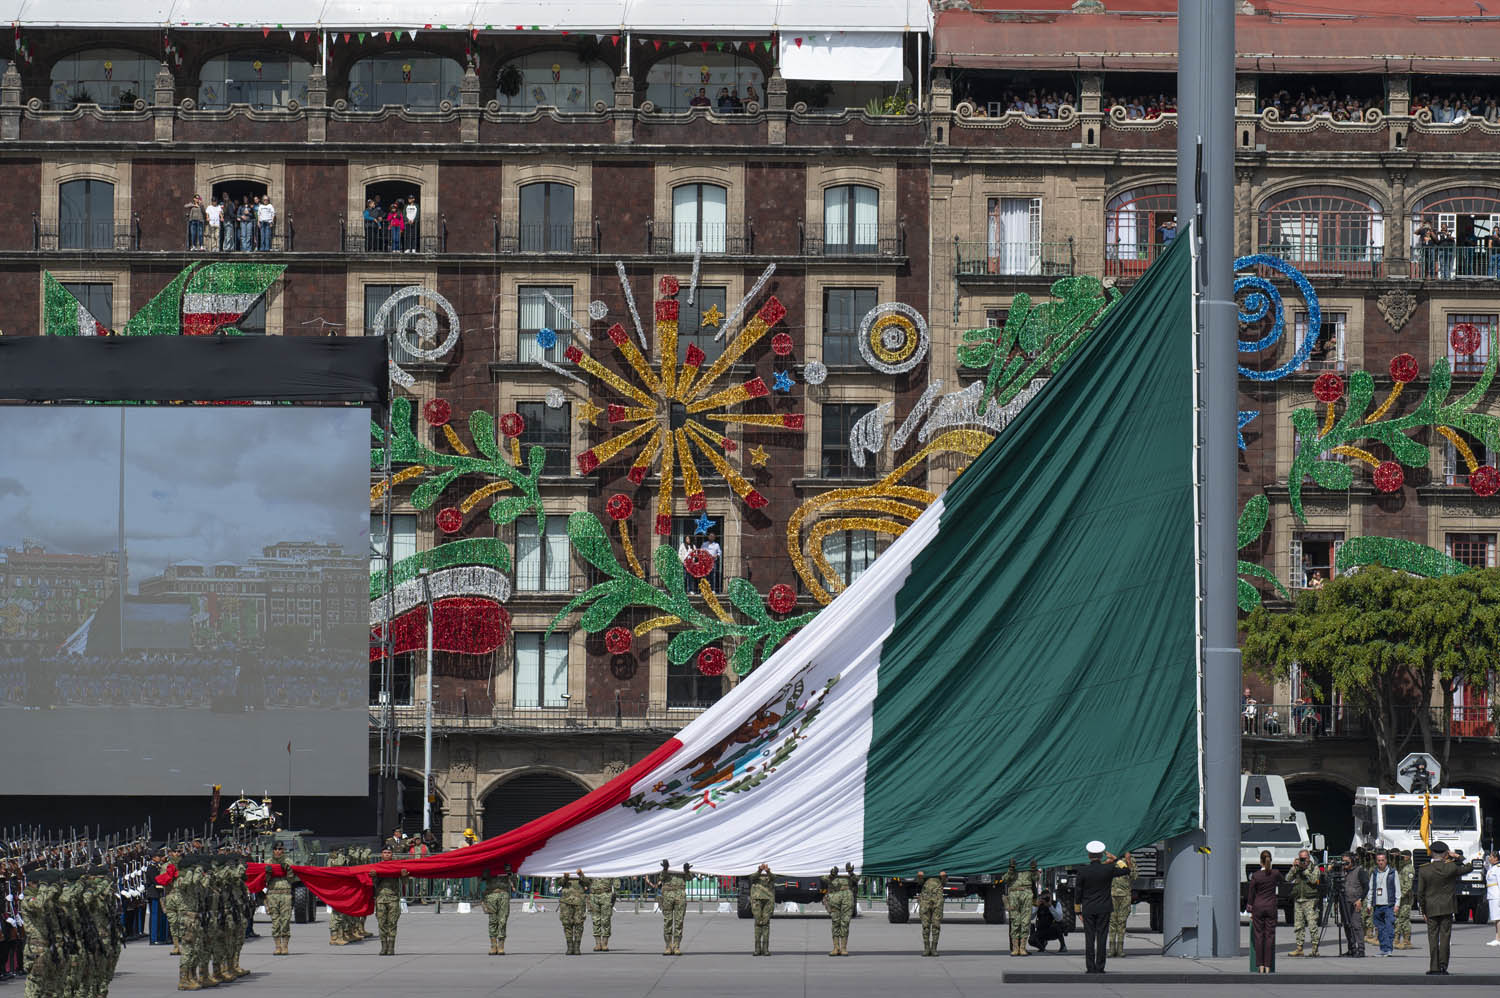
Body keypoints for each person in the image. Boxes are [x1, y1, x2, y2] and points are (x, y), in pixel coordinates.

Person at [1074, 841, 1131, 975]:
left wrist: (1078, 910)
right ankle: (1100, 967)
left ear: (1089, 855)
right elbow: (1126, 870)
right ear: (1101, 855)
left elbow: (1078, 891)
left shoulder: (1083, 870)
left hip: (1088, 908)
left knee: (1089, 938)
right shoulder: (1108, 868)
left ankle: (1090, 967)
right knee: (1102, 937)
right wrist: (1116, 858)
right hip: (1104, 908)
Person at [1417, 840, 1464, 975]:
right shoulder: (1451, 867)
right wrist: (1457, 857)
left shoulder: (1424, 869)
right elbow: (1469, 867)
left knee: (1432, 938)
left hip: (1431, 908)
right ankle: (1443, 966)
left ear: (1431, 853)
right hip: (1447, 907)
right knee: (1445, 937)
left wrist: (1423, 910)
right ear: (1445, 854)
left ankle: (1434, 967)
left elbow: (1420, 892)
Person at [1249, 849, 1282, 972]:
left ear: (1260, 861)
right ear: (1270, 860)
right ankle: (1268, 965)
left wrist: (1250, 908)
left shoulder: (1256, 875)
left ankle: (1260, 965)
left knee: (1258, 936)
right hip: (1271, 907)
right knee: (1269, 936)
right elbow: (1284, 881)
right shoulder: (1275, 873)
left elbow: (1251, 894)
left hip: (1258, 907)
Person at [373, 847, 409, 955]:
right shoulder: (377, 867)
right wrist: (374, 876)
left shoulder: (396, 866)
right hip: (380, 899)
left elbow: (405, 882)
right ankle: (383, 947)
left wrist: (404, 875)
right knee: (381, 923)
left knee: (392, 923)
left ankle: (391, 947)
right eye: (385, 852)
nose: (387, 854)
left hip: (393, 898)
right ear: (381, 855)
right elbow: (373, 883)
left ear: (392, 855)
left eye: (389, 853)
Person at [264, 842, 298, 955]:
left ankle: (285, 946)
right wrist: (268, 873)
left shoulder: (288, 862)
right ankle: (277, 946)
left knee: (285, 920)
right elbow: (264, 880)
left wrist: (288, 870)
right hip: (272, 894)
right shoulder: (268, 862)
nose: (278, 851)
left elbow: (293, 880)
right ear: (273, 850)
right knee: (275, 921)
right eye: (276, 849)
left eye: (280, 849)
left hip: (285, 894)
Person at [1365, 849, 1399, 956]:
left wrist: (1397, 904)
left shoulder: (1393, 873)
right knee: (1380, 928)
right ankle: (1383, 949)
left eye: (1382, 860)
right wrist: (1369, 904)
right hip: (1377, 905)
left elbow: (1397, 889)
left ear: (1386, 861)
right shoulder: (1374, 873)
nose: (1380, 862)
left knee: (1389, 927)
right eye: (1378, 860)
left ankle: (1388, 949)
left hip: (1389, 905)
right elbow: (1370, 889)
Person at [1287, 849, 1320, 956]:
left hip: (1310, 900)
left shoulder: (1314, 868)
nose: (1303, 861)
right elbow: (1287, 878)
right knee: (1298, 925)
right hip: (1298, 900)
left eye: (1304, 859)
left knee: (1312, 924)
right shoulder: (1296, 868)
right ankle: (1299, 948)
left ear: (1309, 858)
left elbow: (1314, 880)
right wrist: (1293, 868)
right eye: (1301, 858)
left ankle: (1315, 948)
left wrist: (1305, 870)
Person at [479, 864, 516, 954]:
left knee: (503, 920)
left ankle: (501, 945)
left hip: (504, 894)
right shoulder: (488, 862)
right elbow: (481, 878)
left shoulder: (508, 864)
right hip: (491, 894)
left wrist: (509, 871)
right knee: (493, 920)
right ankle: (493, 945)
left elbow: (514, 878)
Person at [655, 860, 689, 955]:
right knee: (668, 921)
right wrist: (665, 869)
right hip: (667, 895)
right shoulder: (667, 864)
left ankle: (676, 946)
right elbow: (661, 877)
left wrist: (686, 871)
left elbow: (689, 878)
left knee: (679, 921)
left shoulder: (683, 860)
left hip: (680, 895)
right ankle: (668, 946)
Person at [1004, 858, 1037, 956]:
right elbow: (1005, 879)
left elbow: (1036, 878)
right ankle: (1015, 948)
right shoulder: (1010, 867)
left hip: (1027, 893)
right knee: (1015, 921)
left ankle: (1022, 948)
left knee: (1025, 921)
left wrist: (1034, 868)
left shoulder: (1029, 866)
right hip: (1014, 894)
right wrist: (1011, 868)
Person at [823, 862, 856, 956]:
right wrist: (832, 875)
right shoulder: (828, 863)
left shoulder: (851, 863)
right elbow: (823, 879)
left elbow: (857, 880)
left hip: (847, 895)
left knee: (845, 922)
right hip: (834, 895)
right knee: (835, 921)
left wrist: (851, 872)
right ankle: (836, 947)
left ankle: (844, 948)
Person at [1107, 850, 1135, 958]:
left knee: (1122, 922)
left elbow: (1134, 876)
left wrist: (1128, 861)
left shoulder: (1130, 860)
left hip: (1125, 896)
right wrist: (1107, 863)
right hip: (1112, 895)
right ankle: (1111, 949)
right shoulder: (1110, 860)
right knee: (1112, 922)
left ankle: (1120, 949)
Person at [1339, 851, 1367, 956]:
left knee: (1356, 925)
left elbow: (1366, 887)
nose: (1344, 864)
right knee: (1347, 925)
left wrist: (1361, 899)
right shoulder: (1341, 871)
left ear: (1352, 861)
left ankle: (1360, 949)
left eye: (1347, 862)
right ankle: (1351, 948)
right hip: (1344, 901)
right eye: (1343, 862)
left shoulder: (1360, 871)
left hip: (1355, 901)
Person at [581, 869, 617, 951]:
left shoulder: (610, 868)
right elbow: (586, 881)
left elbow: (616, 883)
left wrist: (614, 897)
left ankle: (604, 943)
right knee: (595, 920)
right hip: (593, 895)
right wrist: (581, 875)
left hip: (606, 895)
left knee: (606, 920)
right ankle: (598, 943)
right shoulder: (592, 867)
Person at [915, 869, 945, 956]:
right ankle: (927, 948)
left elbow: (944, 883)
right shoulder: (924, 866)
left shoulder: (942, 867)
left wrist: (943, 877)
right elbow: (919, 883)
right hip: (925, 899)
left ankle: (934, 948)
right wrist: (920, 877)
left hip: (937, 899)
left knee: (936, 924)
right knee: (925, 925)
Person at [748, 863, 775, 955]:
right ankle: (757, 949)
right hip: (756, 900)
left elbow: (774, 878)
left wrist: (768, 871)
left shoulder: (771, 873)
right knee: (758, 923)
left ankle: (765, 949)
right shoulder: (754, 873)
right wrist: (759, 870)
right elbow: (752, 878)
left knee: (766, 924)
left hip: (768, 900)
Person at [558, 872, 587, 955]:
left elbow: (588, 883)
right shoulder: (564, 867)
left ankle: (577, 947)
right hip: (566, 901)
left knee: (579, 924)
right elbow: (559, 883)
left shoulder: (585, 868)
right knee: (567, 923)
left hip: (579, 901)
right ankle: (570, 947)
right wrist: (565, 877)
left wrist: (581, 875)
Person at [1394, 849, 1416, 950]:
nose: (1402, 858)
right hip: (1399, 897)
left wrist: (1400, 896)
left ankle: (1407, 940)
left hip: (1405, 899)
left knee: (1404, 919)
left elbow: (1408, 886)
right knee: (1398, 918)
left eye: (1404, 856)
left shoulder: (1409, 868)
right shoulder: (1401, 867)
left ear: (1409, 857)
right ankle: (1397, 939)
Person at [1484, 850, 1500, 947]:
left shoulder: (1498, 868)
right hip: (1492, 895)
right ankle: (1497, 937)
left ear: (1496, 858)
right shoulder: (1492, 867)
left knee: (1498, 918)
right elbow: (1486, 864)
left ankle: (1498, 938)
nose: (1489, 858)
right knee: (1495, 918)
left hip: (1496, 895)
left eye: (1491, 856)